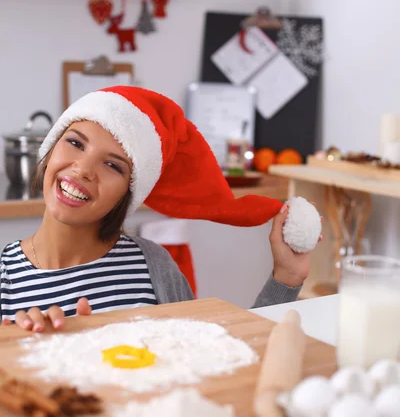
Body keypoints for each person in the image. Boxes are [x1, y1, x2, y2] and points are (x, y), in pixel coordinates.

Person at [0, 86, 320, 332]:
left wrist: (287, 277)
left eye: (113, 164)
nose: (83, 169)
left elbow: (216, 363)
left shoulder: (153, 267)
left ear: (129, 191)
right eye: (75, 142)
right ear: (51, 147)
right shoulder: (4, 277)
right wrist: (19, 351)